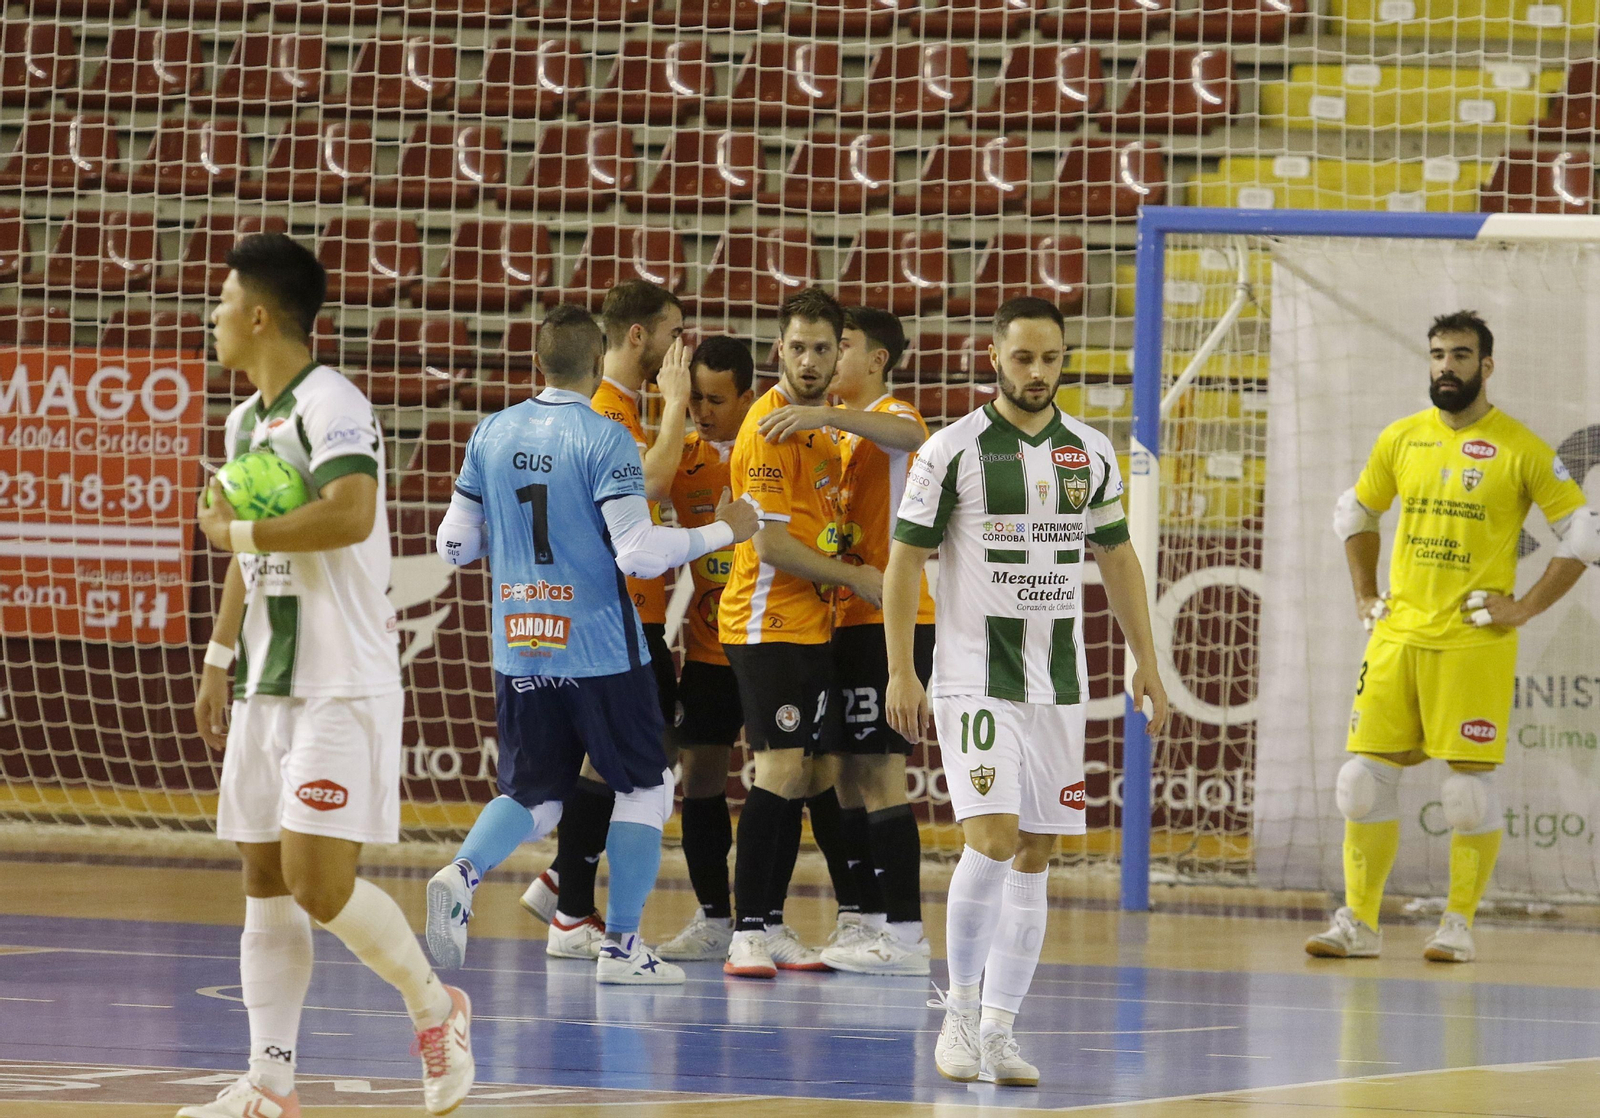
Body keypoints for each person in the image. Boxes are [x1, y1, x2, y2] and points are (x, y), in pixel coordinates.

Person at [189, 232, 474, 1118]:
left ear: (262, 314)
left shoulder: (333, 402)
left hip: (342, 677)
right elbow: (249, 553)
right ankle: (270, 1083)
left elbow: (349, 515)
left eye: (223, 300)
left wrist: (234, 532)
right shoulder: (245, 421)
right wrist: (219, 653)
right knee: (265, 881)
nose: (214, 315)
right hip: (267, 682)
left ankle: (438, 1008)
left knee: (319, 883)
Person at [421, 305, 758, 986]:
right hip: (600, 647)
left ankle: (463, 871)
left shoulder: (490, 431)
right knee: (646, 788)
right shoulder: (603, 437)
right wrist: (725, 532)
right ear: (599, 356)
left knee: (537, 796)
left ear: (535, 363)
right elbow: (637, 554)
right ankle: (623, 946)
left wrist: (509, 541)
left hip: (519, 642)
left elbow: (453, 546)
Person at [884, 296, 1170, 1087]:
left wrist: (1148, 659)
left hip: (1059, 680)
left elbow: (1116, 558)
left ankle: (1000, 1032)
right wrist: (902, 667)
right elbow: (905, 560)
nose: (1036, 372)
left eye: (1049, 359)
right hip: (974, 675)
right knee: (993, 837)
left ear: (1064, 359)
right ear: (993, 355)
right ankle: (958, 1016)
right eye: (1022, 358)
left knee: (1037, 853)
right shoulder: (953, 449)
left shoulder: (1090, 452)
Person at [1308, 310, 1596, 963]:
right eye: (1438, 354)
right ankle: (1359, 924)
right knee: (1360, 781)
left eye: (1461, 356)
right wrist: (1364, 593)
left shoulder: (1522, 448)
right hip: (1397, 635)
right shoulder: (1402, 437)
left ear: (1486, 367)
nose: (1446, 367)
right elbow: (1356, 511)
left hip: (1473, 641)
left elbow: (1583, 535)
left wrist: (1522, 608)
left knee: (1465, 794)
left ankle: (1457, 923)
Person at [751, 307, 937, 976]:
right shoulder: (830, 432)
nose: (829, 360)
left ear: (874, 360)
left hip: (892, 617)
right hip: (844, 618)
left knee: (881, 771)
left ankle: (907, 935)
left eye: (843, 347)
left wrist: (826, 415)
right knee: (841, 772)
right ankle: (865, 916)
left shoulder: (891, 418)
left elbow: (911, 432)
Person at [718, 288, 885, 978]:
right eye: (799, 347)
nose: (811, 360)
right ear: (777, 350)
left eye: (824, 348)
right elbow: (776, 545)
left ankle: (774, 921)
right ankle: (745, 932)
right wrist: (860, 580)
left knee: (812, 770)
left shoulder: (824, 422)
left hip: (811, 621)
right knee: (782, 768)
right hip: (767, 619)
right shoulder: (767, 427)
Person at [519, 280, 686, 960]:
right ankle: (574, 909)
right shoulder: (607, 410)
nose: (681, 347)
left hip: (614, 611)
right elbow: (651, 485)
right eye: (673, 331)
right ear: (639, 335)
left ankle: (562, 882)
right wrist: (677, 407)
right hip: (610, 612)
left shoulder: (615, 408)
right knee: (634, 758)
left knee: (637, 752)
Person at [638, 337, 759, 961]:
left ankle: (770, 923)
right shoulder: (675, 455)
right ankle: (715, 917)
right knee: (701, 776)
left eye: (718, 400)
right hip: (711, 649)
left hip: (775, 641)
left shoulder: (770, 446)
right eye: (698, 399)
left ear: (748, 395)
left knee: (799, 780)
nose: (706, 411)